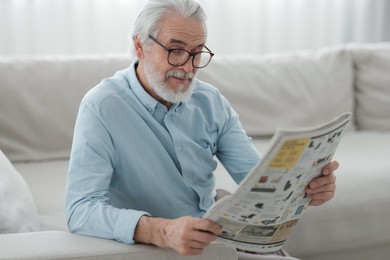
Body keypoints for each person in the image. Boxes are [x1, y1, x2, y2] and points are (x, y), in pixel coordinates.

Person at [65, 0, 339, 259]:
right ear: (140, 46)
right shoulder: (101, 106)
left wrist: (307, 188)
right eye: (176, 50)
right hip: (156, 245)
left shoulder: (210, 102)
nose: (188, 67)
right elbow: (80, 210)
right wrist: (161, 230)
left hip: (212, 229)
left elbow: (260, 180)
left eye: (198, 53)